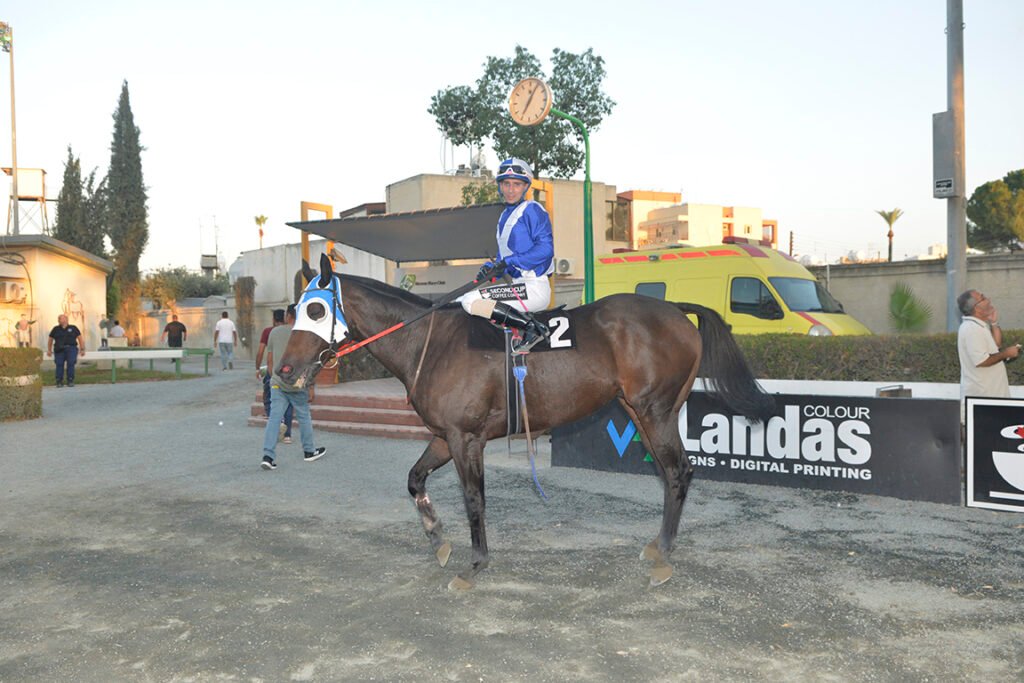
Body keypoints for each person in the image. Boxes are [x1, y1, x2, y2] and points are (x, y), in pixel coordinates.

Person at [459, 158, 554, 354]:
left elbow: (546, 249)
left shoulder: (533, 210)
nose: (511, 189)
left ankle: (532, 329)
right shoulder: (504, 217)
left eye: (517, 184)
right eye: (506, 184)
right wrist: (492, 269)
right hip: (520, 286)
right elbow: (504, 259)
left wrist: (509, 261)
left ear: (526, 186)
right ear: (500, 186)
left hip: (534, 287)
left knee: (469, 301)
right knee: (460, 300)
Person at [260, 304, 325, 470]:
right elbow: (310, 363)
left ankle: (268, 456)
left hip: (277, 382)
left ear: (288, 316)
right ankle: (309, 451)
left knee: (274, 418)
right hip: (297, 384)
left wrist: (273, 378)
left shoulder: (274, 332)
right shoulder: (306, 335)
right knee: (304, 416)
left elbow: (270, 360)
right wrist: (310, 386)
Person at [957, 289, 1020, 419]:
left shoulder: (978, 326)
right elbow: (981, 360)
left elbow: (996, 346)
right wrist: (1005, 354)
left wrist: (994, 323)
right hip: (982, 399)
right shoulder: (971, 329)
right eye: (983, 297)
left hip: (992, 398)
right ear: (977, 308)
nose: (988, 299)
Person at [255, 308, 294, 443]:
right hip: (289, 371)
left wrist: (257, 368)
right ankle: (287, 435)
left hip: (273, 371)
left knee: (269, 399)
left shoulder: (269, 332)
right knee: (289, 402)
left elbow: (261, 352)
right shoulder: (292, 331)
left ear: (273, 319)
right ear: (284, 318)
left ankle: (277, 425)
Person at [47, 314, 85, 388]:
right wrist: (49, 350)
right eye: (60, 319)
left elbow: (80, 338)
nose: (61, 320)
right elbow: (50, 339)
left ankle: (70, 380)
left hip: (71, 348)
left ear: (67, 320)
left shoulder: (73, 328)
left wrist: (82, 349)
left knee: (71, 363)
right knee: (59, 364)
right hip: (59, 349)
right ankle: (59, 381)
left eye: (62, 319)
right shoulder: (55, 329)